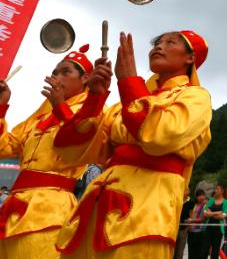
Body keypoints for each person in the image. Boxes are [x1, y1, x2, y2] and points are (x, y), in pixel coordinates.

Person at [52, 30, 212, 259]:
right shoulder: (124, 103)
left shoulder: (196, 97)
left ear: (190, 58)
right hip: (95, 208)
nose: (158, 46)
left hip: (145, 213)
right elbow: (73, 153)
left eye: (170, 42)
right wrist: (95, 98)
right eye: (157, 42)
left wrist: (128, 82)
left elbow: (159, 135)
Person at [0, 45, 95, 258]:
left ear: (85, 79)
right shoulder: (39, 118)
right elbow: (4, 147)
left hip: (50, 212)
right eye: (54, 72)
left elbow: (83, 142)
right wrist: (1, 106)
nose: (56, 76)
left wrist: (61, 106)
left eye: (65, 71)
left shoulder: (92, 112)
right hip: (14, 207)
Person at [203, 184, 227, 259]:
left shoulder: (226, 202)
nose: (216, 190)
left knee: (215, 251)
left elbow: (223, 216)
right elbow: (205, 214)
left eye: (218, 189)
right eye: (215, 189)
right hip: (208, 228)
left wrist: (210, 213)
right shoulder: (211, 200)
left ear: (222, 191)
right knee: (204, 250)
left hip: (218, 229)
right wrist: (217, 213)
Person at [187, 189, 209, 259]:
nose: (201, 197)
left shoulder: (206, 206)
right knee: (191, 252)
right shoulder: (193, 204)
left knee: (200, 252)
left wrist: (192, 220)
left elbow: (203, 219)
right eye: (199, 195)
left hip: (201, 232)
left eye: (202, 195)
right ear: (196, 197)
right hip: (191, 231)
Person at [175, 188, 194, 259]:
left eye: (186, 190)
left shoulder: (191, 203)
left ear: (189, 191)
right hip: (173, 228)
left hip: (183, 229)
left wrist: (187, 229)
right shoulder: (177, 200)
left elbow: (191, 215)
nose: (184, 191)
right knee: (172, 249)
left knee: (179, 251)